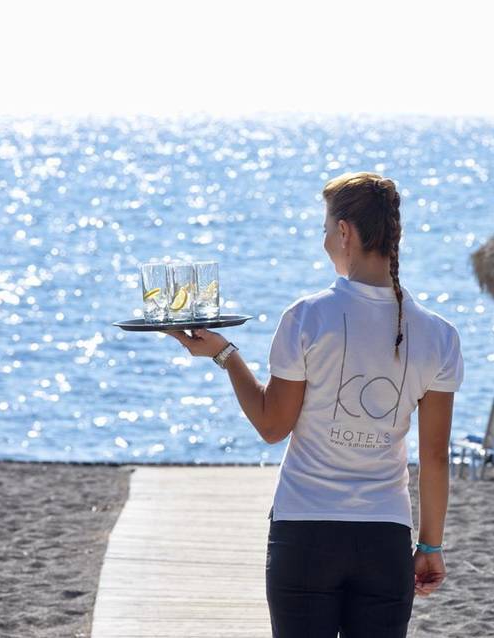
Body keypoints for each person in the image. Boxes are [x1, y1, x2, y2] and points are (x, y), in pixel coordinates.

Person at [163, 171, 465, 638]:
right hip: (384, 536)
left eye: (326, 229)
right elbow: (435, 458)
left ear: (344, 231)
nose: (324, 241)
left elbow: (272, 426)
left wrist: (226, 356)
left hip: (305, 532)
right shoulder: (439, 335)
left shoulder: (307, 316)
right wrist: (430, 545)